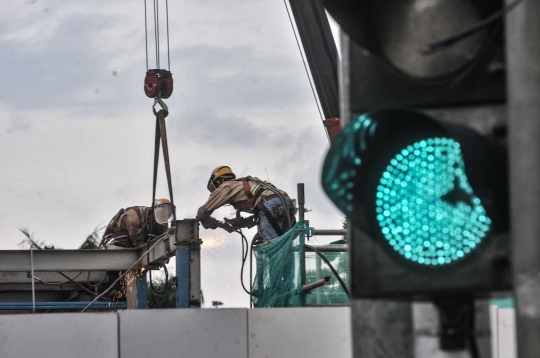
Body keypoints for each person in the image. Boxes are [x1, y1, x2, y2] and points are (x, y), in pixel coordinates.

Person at [196, 166, 296, 242]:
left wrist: (208, 221)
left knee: (271, 246)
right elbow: (263, 215)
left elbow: (202, 212)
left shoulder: (226, 186)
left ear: (218, 182)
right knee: (285, 245)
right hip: (286, 201)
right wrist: (240, 223)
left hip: (269, 204)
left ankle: (275, 269)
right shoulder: (245, 184)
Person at [101, 198, 175, 300]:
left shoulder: (160, 221)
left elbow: (164, 238)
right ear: (153, 212)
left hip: (135, 241)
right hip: (119, 241)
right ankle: (115, 287)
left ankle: (125, 290)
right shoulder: (132, 218)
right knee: (112, 257)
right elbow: (139, 244)